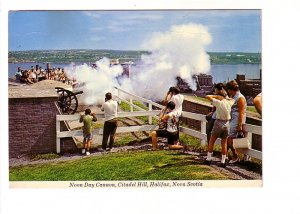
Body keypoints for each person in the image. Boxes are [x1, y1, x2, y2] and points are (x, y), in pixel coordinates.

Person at [203, 90, 235, 167]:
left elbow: (207, 96)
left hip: (218, 123)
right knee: (224, 143)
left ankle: (208, 159)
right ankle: (223, 161)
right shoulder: (229, 102)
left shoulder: (218, 103)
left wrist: (216, 96)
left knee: (212, 141)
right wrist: (225, 97)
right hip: (227, 124)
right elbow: (232, 99)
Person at [225, 80, 247, 164]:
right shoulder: (233, 96)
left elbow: (241, 112)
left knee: (229, 137)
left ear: (231, 89)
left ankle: (235, 156)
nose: (228, 91)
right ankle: (225, 155)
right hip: (232, 119)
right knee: (227, 137)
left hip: (237, 119)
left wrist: (240, 125)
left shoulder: (240, 97)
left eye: (228, 89)